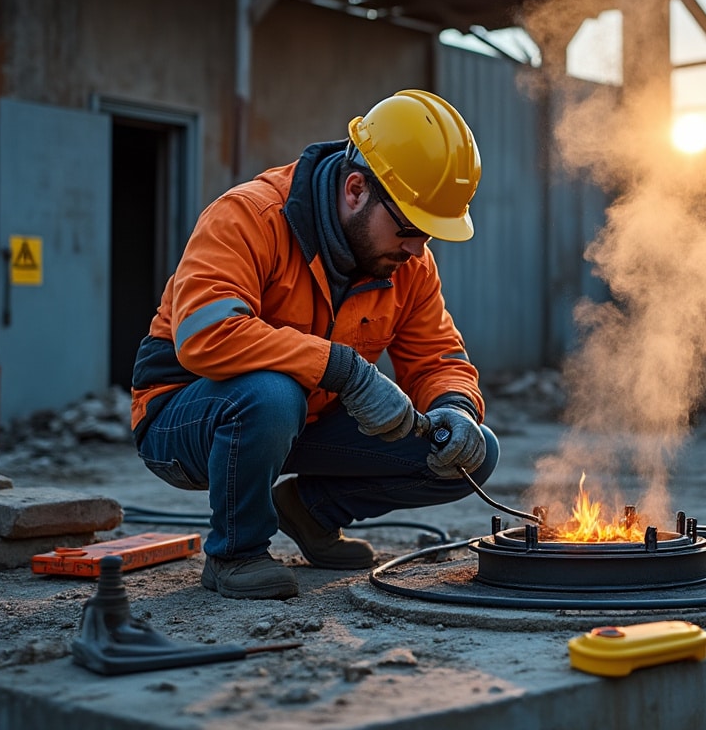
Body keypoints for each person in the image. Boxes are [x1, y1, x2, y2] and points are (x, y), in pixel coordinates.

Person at [129, 89, 498, 600]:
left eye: (430, 235)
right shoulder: (248, 217)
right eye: (411, 228)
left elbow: (439, 357)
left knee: (472, 453)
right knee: (271, 394)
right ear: (355, 190)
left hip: (302, 420)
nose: (417, 248)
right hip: (188, 416)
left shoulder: (408, 264)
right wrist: (345, 370)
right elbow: (204, 336)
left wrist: (453, 407)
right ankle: (237, 553)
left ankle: (310, 511)